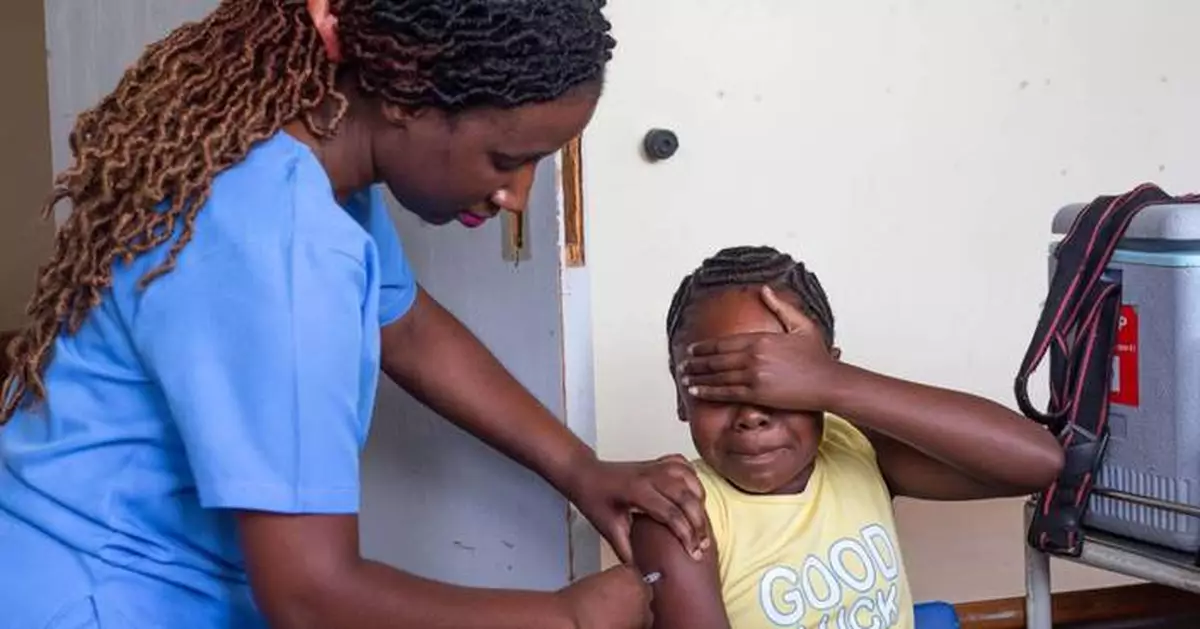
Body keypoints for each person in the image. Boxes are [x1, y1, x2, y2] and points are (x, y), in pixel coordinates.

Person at [0, 1, 710, 627]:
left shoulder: (301, 161)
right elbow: (312, 595)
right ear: (405, 94)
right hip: (97, 596)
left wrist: (579, 467)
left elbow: (406, 326)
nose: (516, 196)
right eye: (505, 159)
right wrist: (567, 617)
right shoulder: (283, 245)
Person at [630, 246, 1065, 629]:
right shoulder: (679, 512)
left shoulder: (852, 447)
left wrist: (834, 384)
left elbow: (1037, 462)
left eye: (780, 388)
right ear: (680, 393)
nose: (752, 416)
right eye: (719, 389)